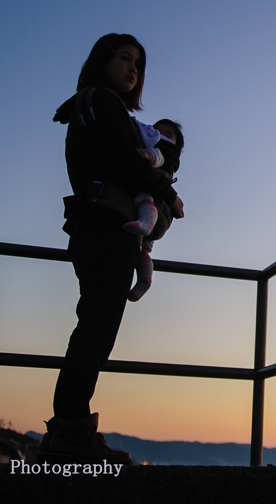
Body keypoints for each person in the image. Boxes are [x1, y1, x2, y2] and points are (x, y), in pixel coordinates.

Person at [40, 34, 184, 464]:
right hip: (105, 228)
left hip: (99, 226)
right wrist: (168, 196)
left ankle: (68, 432)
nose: (133, 69)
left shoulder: (96, 104)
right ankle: (70, 433)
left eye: (138, 63)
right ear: (102, 60)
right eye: (124, 59)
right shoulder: (101, 102)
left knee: (95, 327)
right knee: (96, 330)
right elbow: (126, 163)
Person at [125, 118, 185, 302]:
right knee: (143, 250)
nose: (161, 136)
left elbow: (158, 157)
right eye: (156, 131)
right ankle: (145, 277)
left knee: (145, 199)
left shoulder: (164, 151)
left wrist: (147, 155)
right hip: (160, 214)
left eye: (167, 135)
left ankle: (145, 223)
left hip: (152, 208)